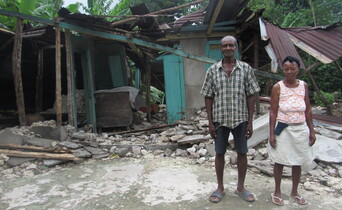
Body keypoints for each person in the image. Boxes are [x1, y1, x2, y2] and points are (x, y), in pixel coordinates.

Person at [200, 35, 260, 203]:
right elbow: (208, 97)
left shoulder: (245, 69)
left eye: (231, 45)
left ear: (236, 48)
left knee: (242, 152)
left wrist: (250, 121)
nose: (228, 48)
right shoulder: (212, 70)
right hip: (220, 119)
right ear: (221, 48)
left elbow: (251, 95)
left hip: (240, 118)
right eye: (224, 46)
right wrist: (210, 123)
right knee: (219, 153)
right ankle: (220, 187)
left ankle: (241, 187)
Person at [268, 56, 316, 206]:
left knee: (298, 162)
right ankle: (276, 191)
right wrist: (271, 134)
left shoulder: (303, 85)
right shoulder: (278, 87)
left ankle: (295, 191)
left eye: (293, 69)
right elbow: (273, 112)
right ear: (283, 70)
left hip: (300, 129)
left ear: (298, 69)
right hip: (283, 129)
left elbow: (307, 109)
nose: (289, 72)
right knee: (279, 161)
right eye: (286, 69)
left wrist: (312, 131)